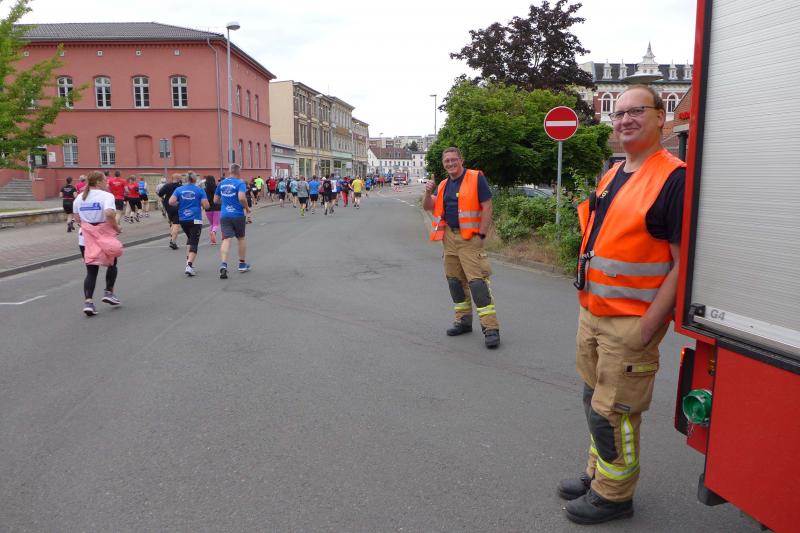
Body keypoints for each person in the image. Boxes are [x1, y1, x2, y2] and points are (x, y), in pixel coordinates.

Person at [558, 85, 686, 525]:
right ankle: (598, 474)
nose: (625, 118)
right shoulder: (614, 172)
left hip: (631, 323)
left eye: (637, 111)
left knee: (616, 412)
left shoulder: (673, 178)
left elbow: (682, 263)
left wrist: (649, 325)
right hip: (594, 314)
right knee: (595, 401)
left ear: (661, 118)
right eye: (620, 112)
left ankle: (614, 495)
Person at [423, 146, 500, 349]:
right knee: (455, 282)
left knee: (477, 283)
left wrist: (482, 234)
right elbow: (428, 206)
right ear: (444, 164)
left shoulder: (475, 178)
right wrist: (428, 192)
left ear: (461, 160)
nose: (450, 163)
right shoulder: (443, 184)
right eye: (446, 161)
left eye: (453, 159)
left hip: (470, 238)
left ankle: (491, 328)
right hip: (449, 238)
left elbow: (487, 206)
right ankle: (463, 321)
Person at [72, 171, 123, 316]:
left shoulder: (79, 198)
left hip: (85, 238)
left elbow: (77, 219)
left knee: (91, 271)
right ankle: (109, 292)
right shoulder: (106, 196)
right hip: (104, 236)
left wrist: (89, 226)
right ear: (99, 182)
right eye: (105, 180)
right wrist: (116, 227)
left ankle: (88, 302)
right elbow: (109, 213)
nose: (107, 183)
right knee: (112, 263)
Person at [214, 163, 251, 278]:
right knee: (241, 238)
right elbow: (241, 198)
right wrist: (247, 208)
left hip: (225, 214)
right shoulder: (240, 183)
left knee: (226, 239)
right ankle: (242, 264)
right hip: (237, 214)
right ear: (238, 171)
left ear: (230, 171)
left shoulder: (221, 183)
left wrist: (225, 203)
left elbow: (215, 200)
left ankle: (223, 264)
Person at [169, 173, 210, 276]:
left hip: (183, 219)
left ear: (185, 180)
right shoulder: (199, 190)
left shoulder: (179, 189)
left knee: (190, 239)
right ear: (195, 180)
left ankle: (188, 262)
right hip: (195, 219)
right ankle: (189, 266)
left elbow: (171, 202)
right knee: (194, 242)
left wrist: (180, 204)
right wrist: (199, 203)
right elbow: (206, 206)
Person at [158, 174, 182, 249]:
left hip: (168, 206)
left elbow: (160, 193)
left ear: (172, 178)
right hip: (177, 206)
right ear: (179, 179)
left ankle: (172, 238)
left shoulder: (167, 186)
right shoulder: (181, 187)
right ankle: (173, 242)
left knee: (172, 223)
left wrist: (164, 198)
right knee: (176, 224)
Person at [204, 175, 221, 245]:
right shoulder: (216, 188)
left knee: (212, 224)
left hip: (208, 209)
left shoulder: (204, 190)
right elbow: (219, 197)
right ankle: (213, 232)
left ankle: (212, 241)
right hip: (217, 208)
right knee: (216, 224)